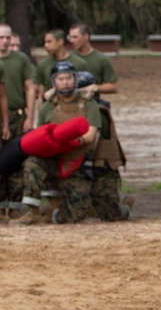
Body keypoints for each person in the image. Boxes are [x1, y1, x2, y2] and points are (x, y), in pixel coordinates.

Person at [16, 61, 102, 225]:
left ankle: (61, 209)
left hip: (76, 163)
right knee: (32, 163)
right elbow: (40, 135)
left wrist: (72, 142)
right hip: (53, 160)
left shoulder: (89, 104)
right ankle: (33, 210)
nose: (65, 82)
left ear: (75, 79)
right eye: (60, 79)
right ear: (54, 81)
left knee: (76, 215)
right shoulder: (48, 106)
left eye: (68, 78)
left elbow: (91, 135)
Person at [0, 23, 37, 217]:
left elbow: (30, 87)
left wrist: (30, 116)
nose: (4, 42)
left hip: (16, 115)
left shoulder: (21, 59)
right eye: (1, 38)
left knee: (15, 159)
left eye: (7, 38)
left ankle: (14, 207)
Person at [67, 22, 119, 96]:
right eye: (70, 37)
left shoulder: (101, 59)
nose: (71, 40)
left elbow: (113, 87)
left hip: (92, 102)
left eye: (75, 37)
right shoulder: (68, 58)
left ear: (85, 36)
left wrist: (95, 88)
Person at [33, 29, 88, 97]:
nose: (45, 45)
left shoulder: (79, 63)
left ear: (60, 41)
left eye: (49, 42)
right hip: (51, 105)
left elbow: (86, 90)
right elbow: (40, 94)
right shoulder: (43, 65)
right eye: (45, 42)